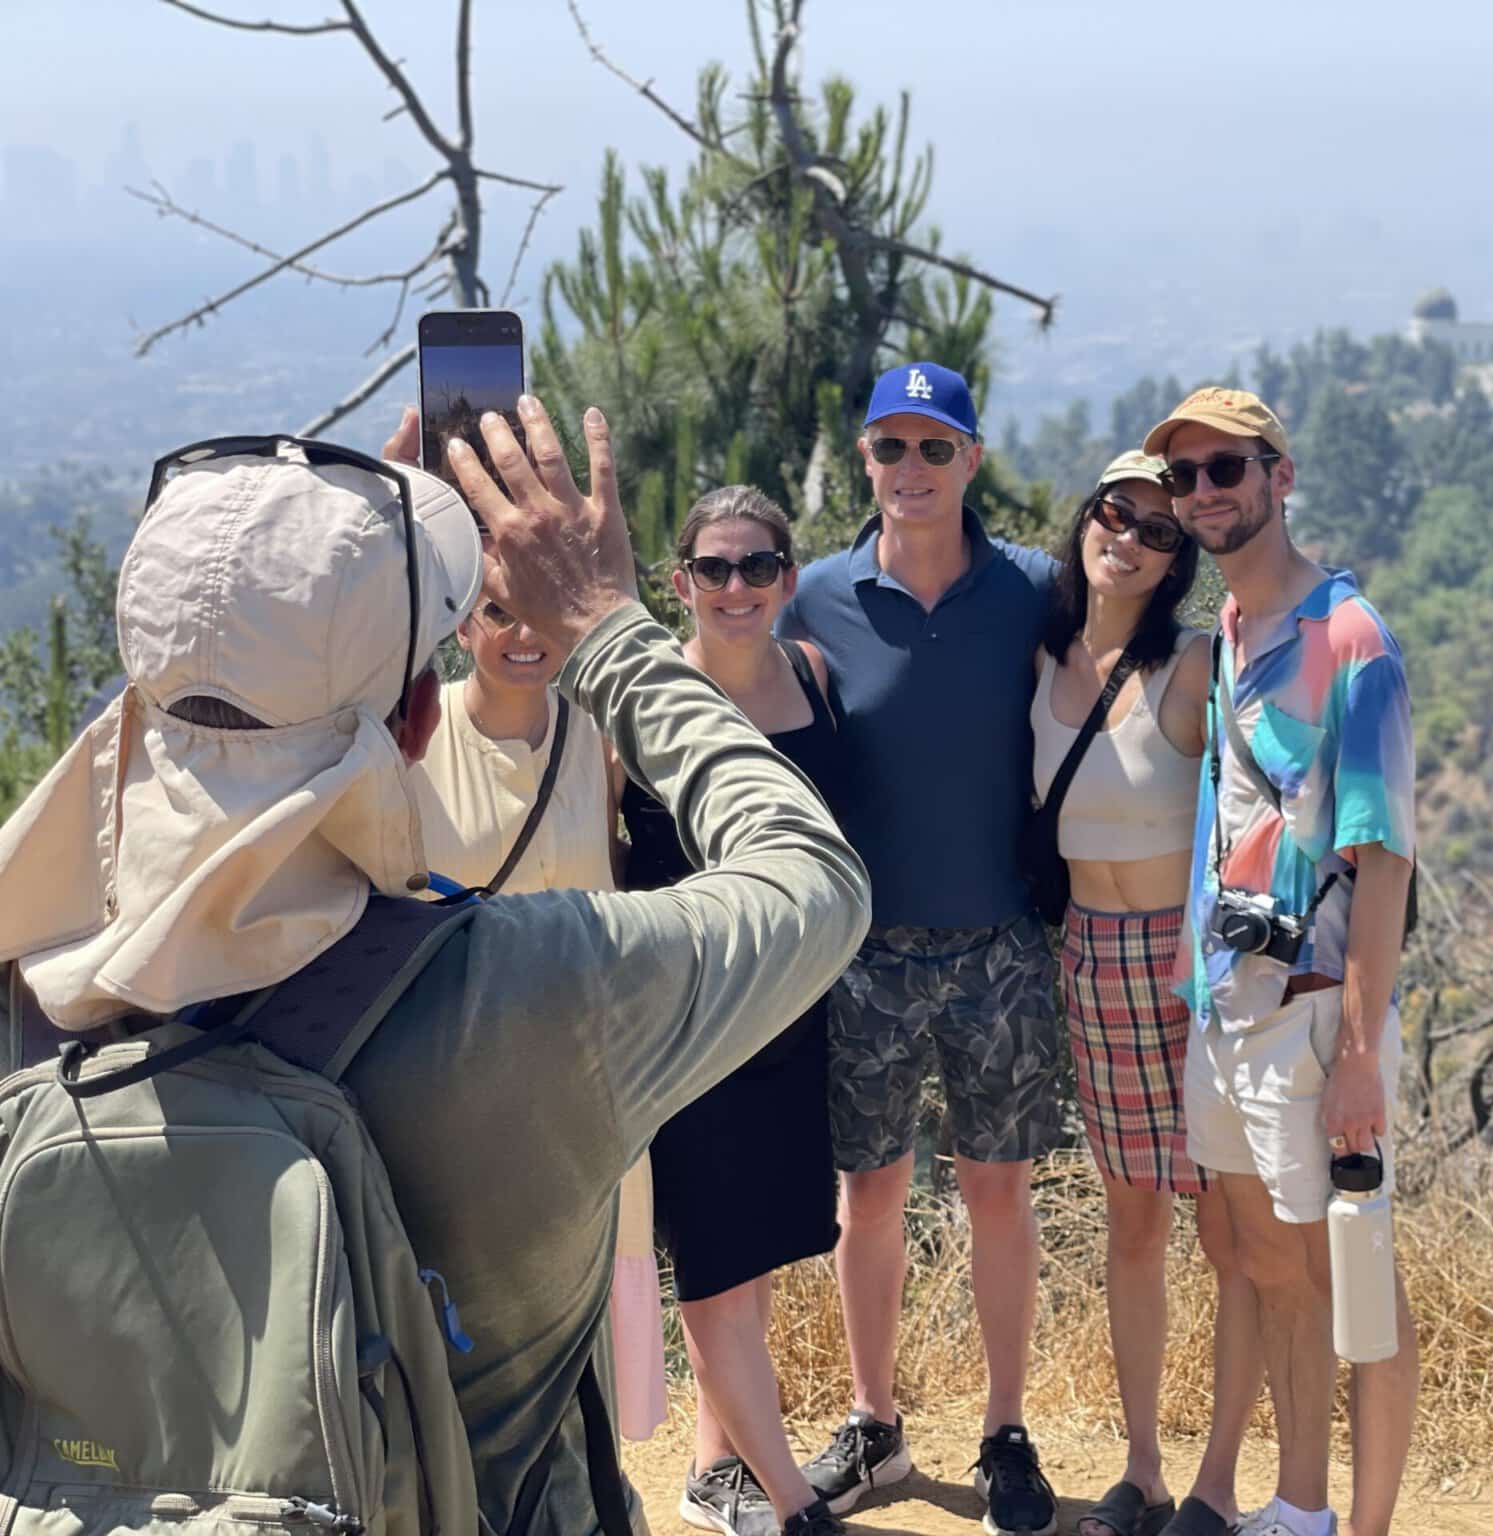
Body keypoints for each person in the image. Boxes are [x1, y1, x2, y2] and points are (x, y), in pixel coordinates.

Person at [0, 396, 870, 1536]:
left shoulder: (33, 997)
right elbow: (812, 875)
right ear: (418, 718)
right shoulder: (538, 992)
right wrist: (608, 627)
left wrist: (252, 610)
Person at [776, 362, 1064, 1536]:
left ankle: (1004, 1432)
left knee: (998, 1193)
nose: (911, 470)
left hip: (999, 942)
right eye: (890, 448)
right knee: (869, 1194)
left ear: (971, 462)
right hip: (866, 950)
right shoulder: (814, 599)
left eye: (934, 449)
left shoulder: (1033, 591)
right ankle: (874, 1426)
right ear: (864, 461)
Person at [1143, 388, 1419, 1536]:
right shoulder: (1235, 638)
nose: (1205, 492)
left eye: (1226, 469)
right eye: (1184, 477)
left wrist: (1358, 1051)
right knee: (1264, 1258)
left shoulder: (1347, 642)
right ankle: (1296, 1506)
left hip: (1312, 1016)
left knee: (1346, 1275)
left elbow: (1383, 860)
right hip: (1231, 1002)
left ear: (1278, 475)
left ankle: (1344, 1521)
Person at [1031, 452, 1264, 1536]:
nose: (1126, 537)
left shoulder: (1189, 667)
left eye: (1157, 531)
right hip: (1089, 959)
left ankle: (1215, 1485)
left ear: (1176, 563)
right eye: (1113, 513)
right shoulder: (1033, 655)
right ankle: (1141, 1471)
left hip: (1188, 973)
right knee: (1131, 1224)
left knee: (1227, 1236)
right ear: (1087, 517)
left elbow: (1265, 800)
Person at [616, 487, 847, 1536]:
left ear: (787, 578)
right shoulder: (642, 703)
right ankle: (795, 1505)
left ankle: (717, 1472)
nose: (736, 586)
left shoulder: (814, 679)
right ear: (681, 583)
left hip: (794, 1010)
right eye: (713, 568)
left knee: (751, 1254)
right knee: (711, 1264)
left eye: (758, 566)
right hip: (683, 1017)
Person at [409, 575, 667, 1449]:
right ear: (460, 626)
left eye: (539, 612)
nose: (523, 634)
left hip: (591, 1078)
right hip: (460, 1082)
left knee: (587, 1302)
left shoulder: (598, 736)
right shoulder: (415, 737)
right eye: (496, 613)